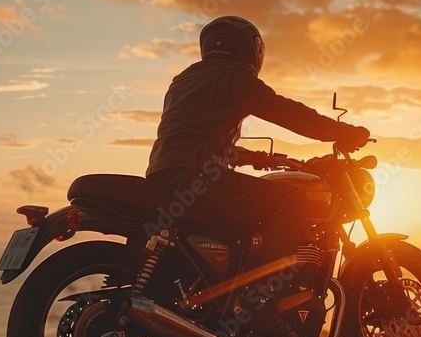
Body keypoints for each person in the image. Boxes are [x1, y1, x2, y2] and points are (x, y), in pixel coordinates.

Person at [146, 15, 370, 274]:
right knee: (289, 198)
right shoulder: (233, 73)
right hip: (197, 177)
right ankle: (264, 294)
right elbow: (284, 111)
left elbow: (202, 141)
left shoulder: (183, 80)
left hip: (164, 174)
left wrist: (261, 158)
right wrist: (342, 132)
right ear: (250, 48)